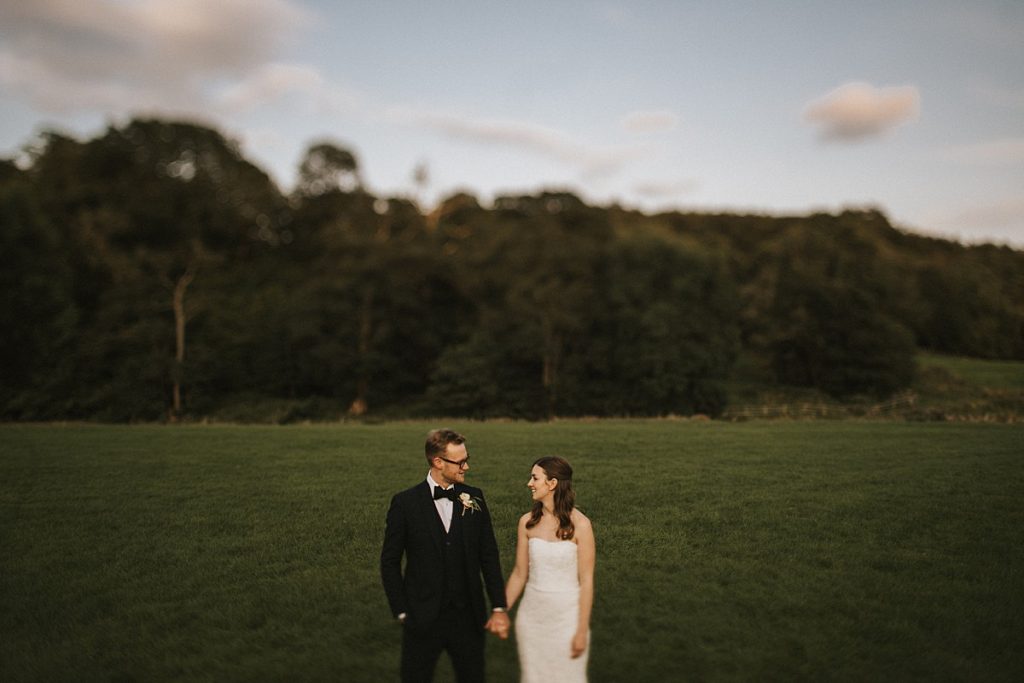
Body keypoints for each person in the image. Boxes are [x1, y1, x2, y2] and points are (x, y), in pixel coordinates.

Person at [380, 429, 510, 683]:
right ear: (438, 462)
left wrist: (498, 606)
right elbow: (389, 561)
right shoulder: (405, 503)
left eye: (466, 458)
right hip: (421, 617)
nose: (467, 466)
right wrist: (402, 611)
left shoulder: (475, 497)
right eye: (460, 462)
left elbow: (489, 556)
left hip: (468, 617)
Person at [504, 456, 595, 683]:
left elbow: (586, 581)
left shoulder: (581, 525)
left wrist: (582, 630)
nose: (529, 483)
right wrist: (500, 610)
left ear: (552, 483)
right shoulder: (527, 522)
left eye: (535, 478)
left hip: (568, 620)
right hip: (532, 621)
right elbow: (519, 573)